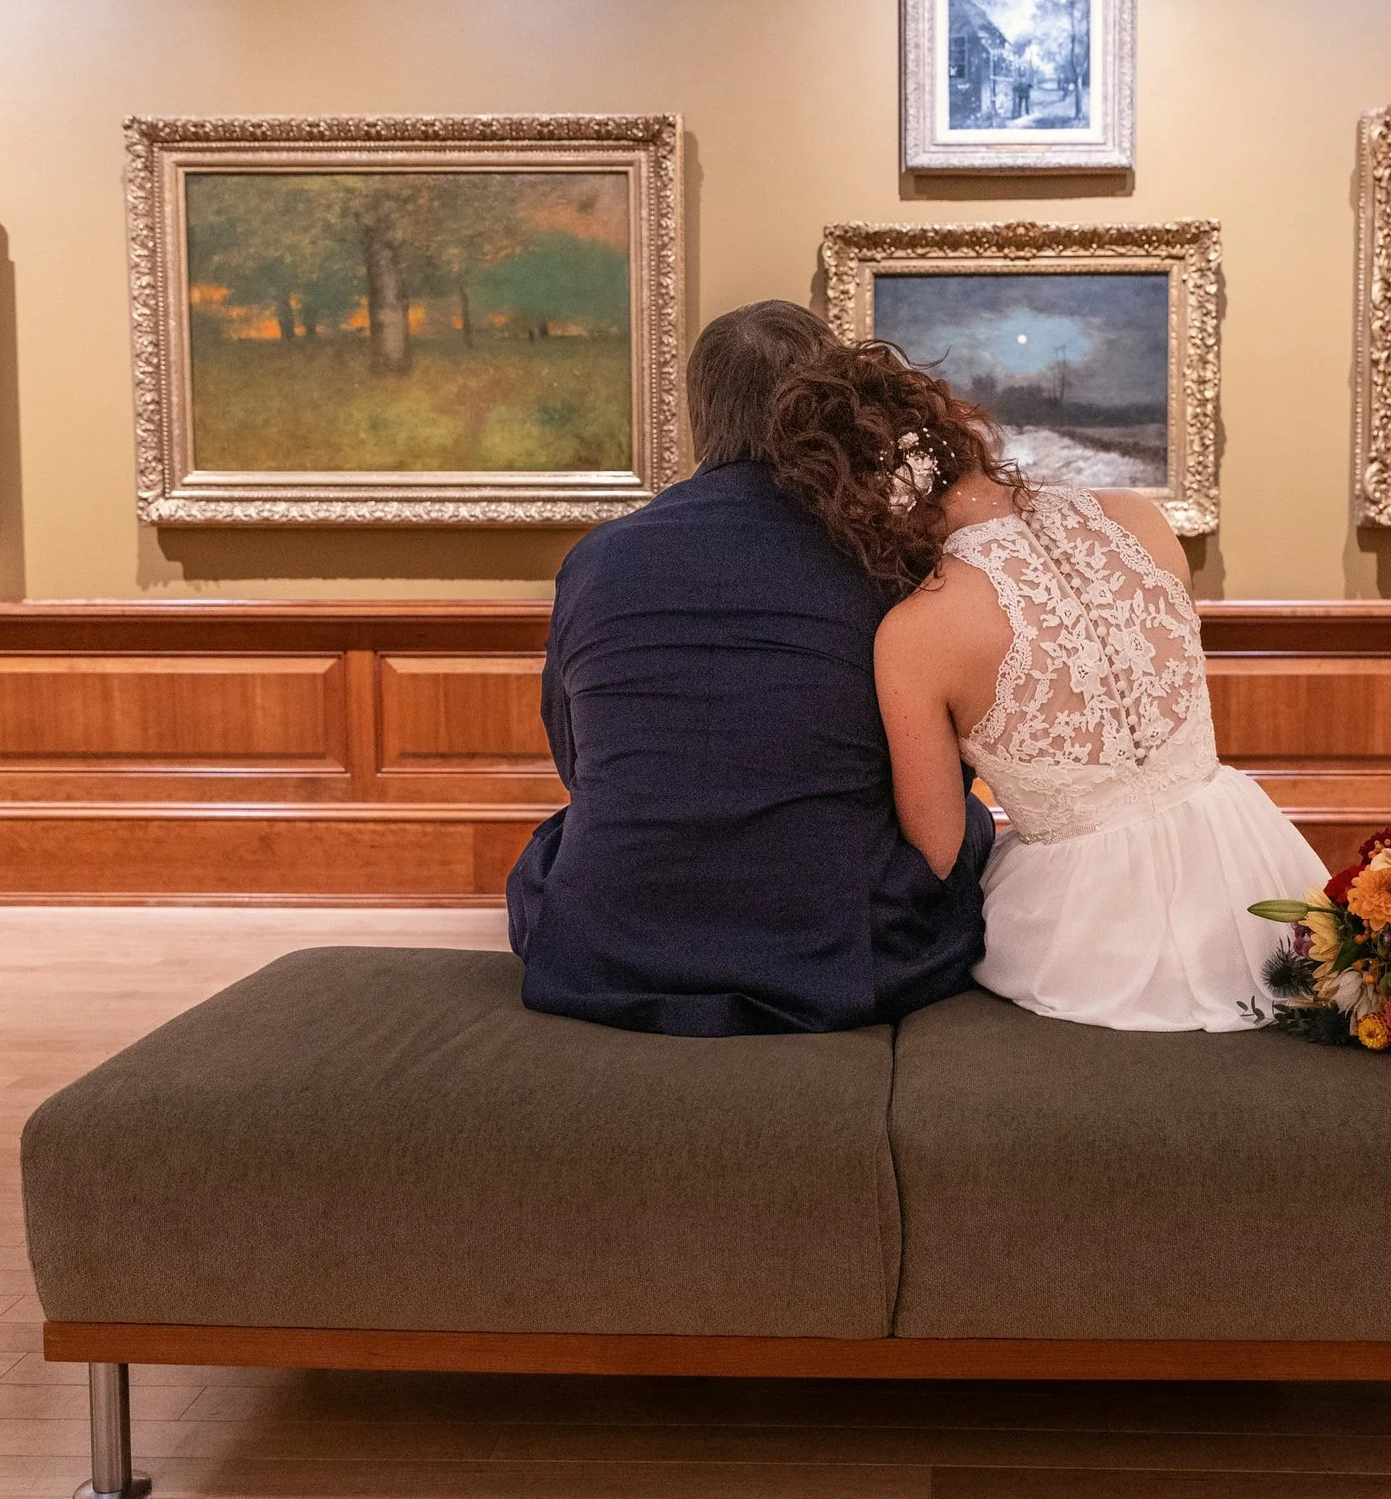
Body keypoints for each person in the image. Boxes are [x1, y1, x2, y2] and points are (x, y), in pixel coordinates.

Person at [507, 301, 994, 1036]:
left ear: (699, 412)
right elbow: (935, 793)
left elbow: (577, 761)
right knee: (976, 835)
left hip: (605, 947)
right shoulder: (882, 560)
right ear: (830, 405)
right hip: (831, 953)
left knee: (565, 837)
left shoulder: (597, 559)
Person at [864, 354, 1329, 1032]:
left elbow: (936, 850)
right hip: (1252, 870)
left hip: (1086, 932)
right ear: (967, 431)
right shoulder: (1140, 516)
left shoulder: (914, 632)